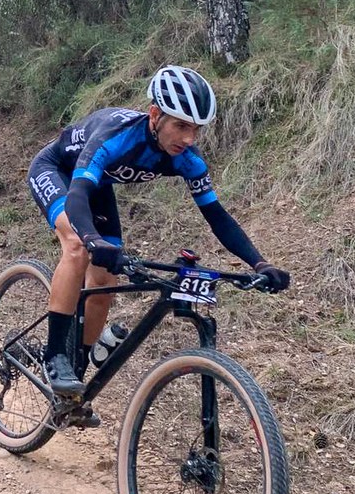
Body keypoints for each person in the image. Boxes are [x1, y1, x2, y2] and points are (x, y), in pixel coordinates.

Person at [28, 65, 290, 400]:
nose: (188, 138)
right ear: (155, 115)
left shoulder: (188, 160)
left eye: (196, 129)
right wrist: (93, 239)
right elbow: (78, 195)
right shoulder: (115, 136)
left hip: (98, 185)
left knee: (105, 283)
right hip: (58, 172)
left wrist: (260, 264)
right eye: (180, 126)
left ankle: (74, 378)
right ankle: (55, 355)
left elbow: (218, 217)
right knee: (78, 247)